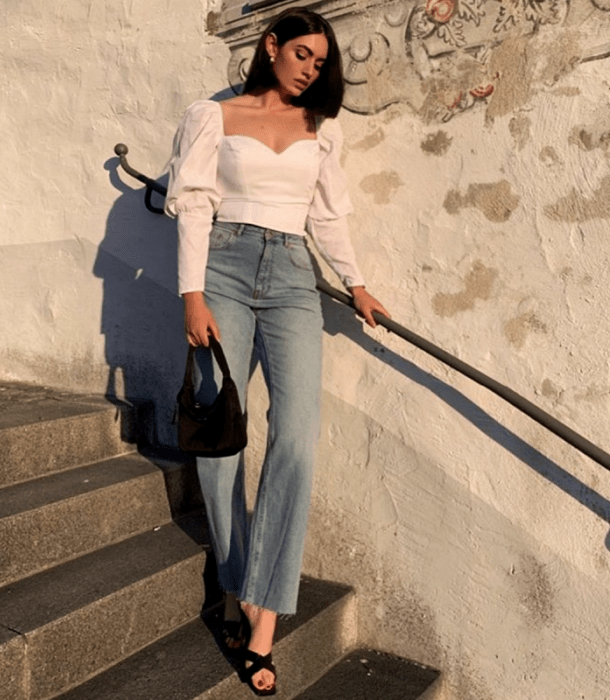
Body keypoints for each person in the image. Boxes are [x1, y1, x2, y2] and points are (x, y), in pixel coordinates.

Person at [165, 7, 389, 695]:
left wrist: (355, 282)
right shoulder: (212, 114)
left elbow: (326, 214)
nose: (309, 69)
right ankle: (241, 590)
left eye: (319, 63)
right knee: (222, 439)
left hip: (294, 275)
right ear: (269, 47)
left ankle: (261, 615)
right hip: (224, 267)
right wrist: (190, 295)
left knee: (294, 438)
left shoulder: (322, 128)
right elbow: (195, 204)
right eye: (301, 55)